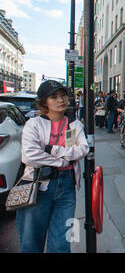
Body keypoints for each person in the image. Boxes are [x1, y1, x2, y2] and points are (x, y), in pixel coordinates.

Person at [17, 80, 89, 252]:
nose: (60, 100)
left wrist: (51, 149)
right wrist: (62, 160)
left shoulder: (75, 125)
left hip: (67, 187)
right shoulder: (33, 124)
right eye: (54, 97)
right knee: (31, 241)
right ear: (44, 102)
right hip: (37, 185)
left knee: (61, 243)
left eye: (63, 95)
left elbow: (83, 149)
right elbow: (30, 156)